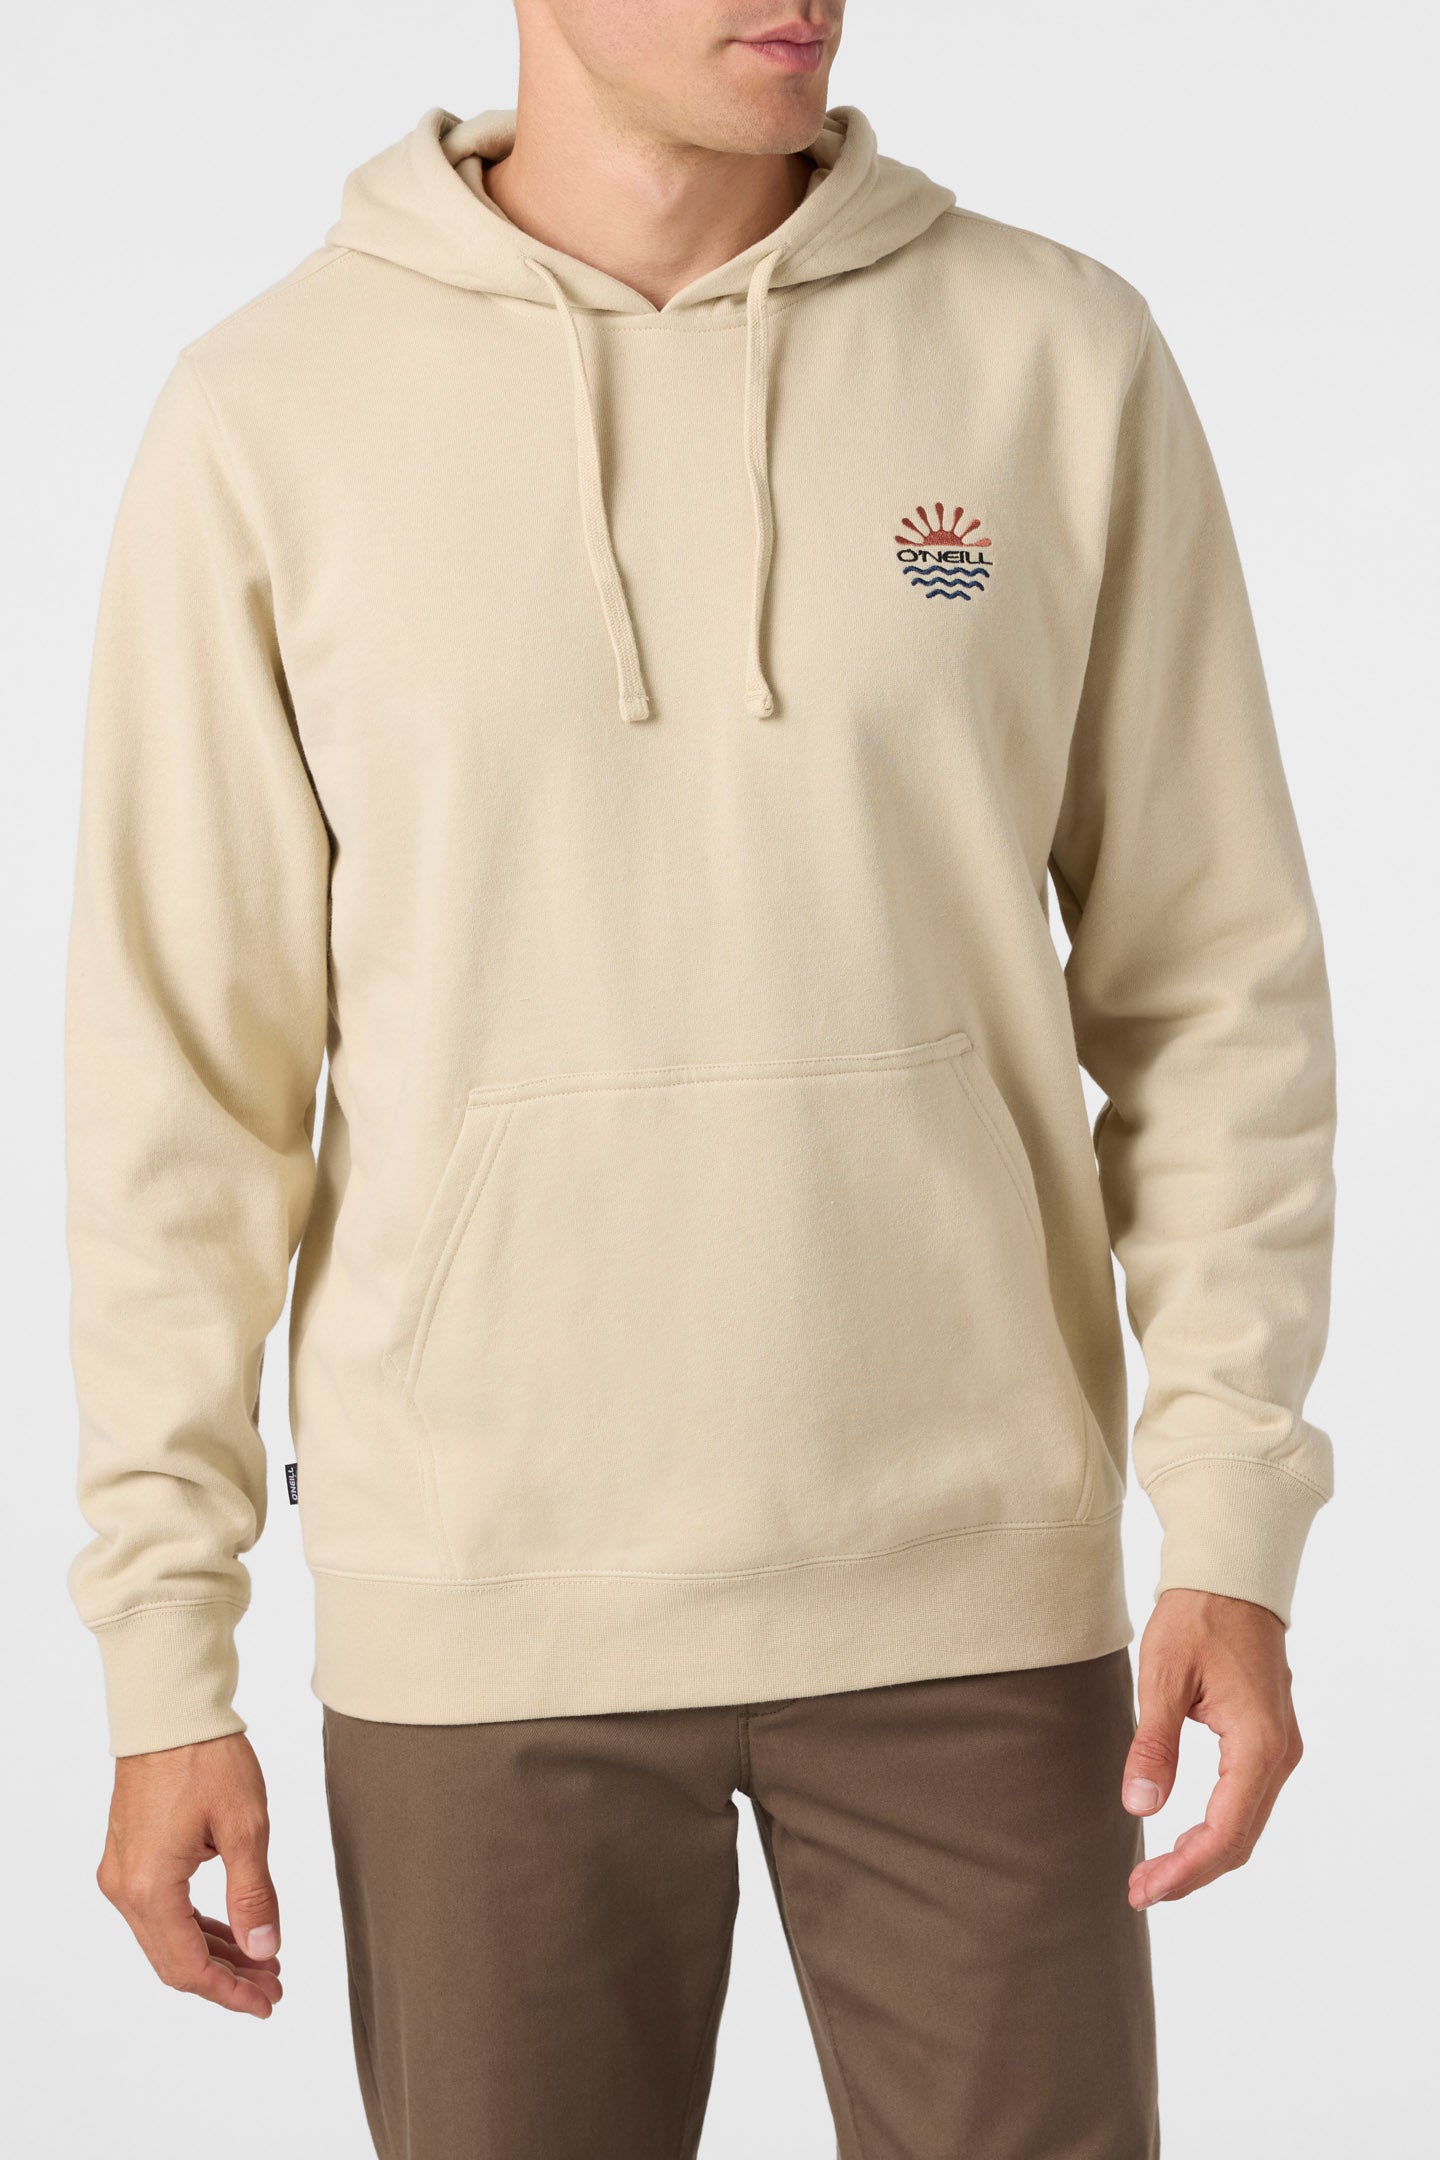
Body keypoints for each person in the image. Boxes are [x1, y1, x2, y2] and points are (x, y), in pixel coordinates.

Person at [66, 4, 1336, 2154]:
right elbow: (181, 1093)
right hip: (482, 1610)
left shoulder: (1055, 357)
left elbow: (1213, 988)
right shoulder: (269, 413)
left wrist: (1231, 1516)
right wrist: (161, 1656)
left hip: (971, 1588)